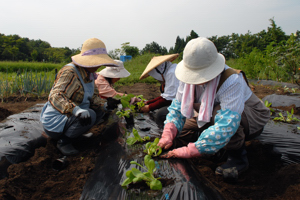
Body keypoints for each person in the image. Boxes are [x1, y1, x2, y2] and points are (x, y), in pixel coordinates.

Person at [158, 37, 270, 177]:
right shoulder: (186, 81)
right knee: (183, 131)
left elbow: (228, 121)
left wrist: (191, 150)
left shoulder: (231, 79)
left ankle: (237, 157)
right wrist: (168, 133)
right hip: (210, 114)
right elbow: (177, 108)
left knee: (219, 114)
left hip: (251, 118)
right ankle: (215, 145)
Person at [40, 38, 119, 156]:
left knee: (99, 111)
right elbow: (55, 96)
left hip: (71, 118)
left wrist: (106, 104)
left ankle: (76, 135)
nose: (99, 65)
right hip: (57, 121)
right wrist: (75, 110)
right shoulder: (70, 72)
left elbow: (94, 98)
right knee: (90, 114)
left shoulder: (90, 74)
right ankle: (64, 142)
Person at [139, 54, 180, 127]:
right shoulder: (171, 70)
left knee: (160, 114)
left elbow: (168, 99)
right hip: (179, 100)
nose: (157, 80)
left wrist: (149, 107)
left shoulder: (171, 73)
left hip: (184, 104)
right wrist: (148, 102)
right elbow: (165, 96)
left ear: (159, 73)